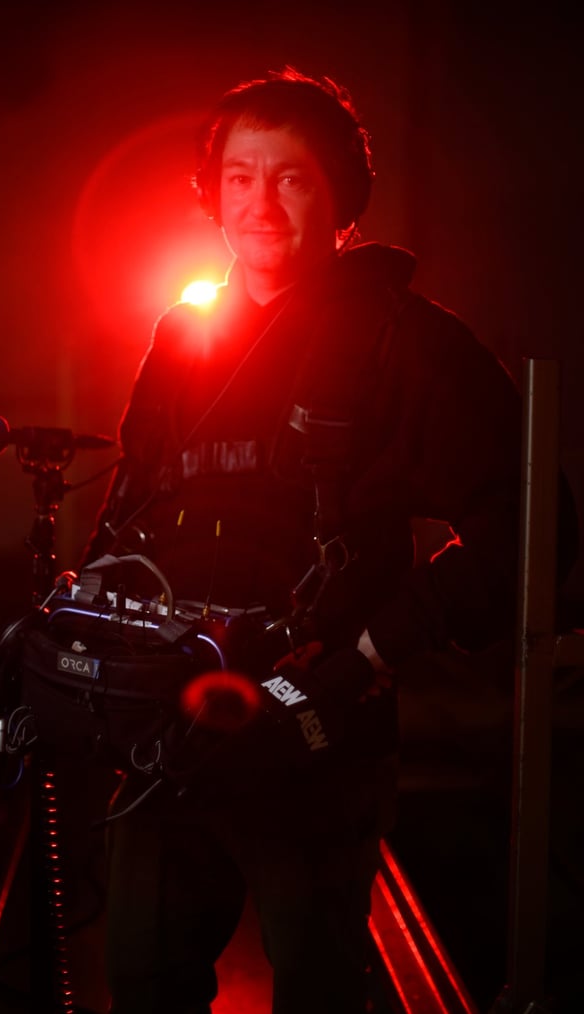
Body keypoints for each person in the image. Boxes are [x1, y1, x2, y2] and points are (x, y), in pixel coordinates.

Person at [74, 67, 575, 1013]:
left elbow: (530, 527)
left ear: (343, 195)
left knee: (320, 987)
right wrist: (82, 634)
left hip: (315, 739)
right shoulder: (183, 338)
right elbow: (132, 507)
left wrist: (374, 649)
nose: (260, 203)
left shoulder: (408, 345)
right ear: (211, 193)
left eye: (291, 178)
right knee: (140, 978)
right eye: (239, 177)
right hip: (166, 738)